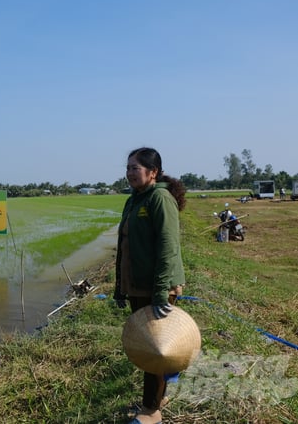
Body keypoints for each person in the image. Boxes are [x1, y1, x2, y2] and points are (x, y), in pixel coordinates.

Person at [113, 147, 186, 424]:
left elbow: (167, 248)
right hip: (138, 286)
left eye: (136, 167)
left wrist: (159, 295)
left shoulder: (159, 199)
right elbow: (124, 246)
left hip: (157, 287)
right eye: (128, 167)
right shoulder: (134, 200)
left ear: (153, 172)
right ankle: (159, 394)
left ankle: (152, 410)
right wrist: (121, 287)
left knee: (154, 350)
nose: (130, 172)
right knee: (149, 347)